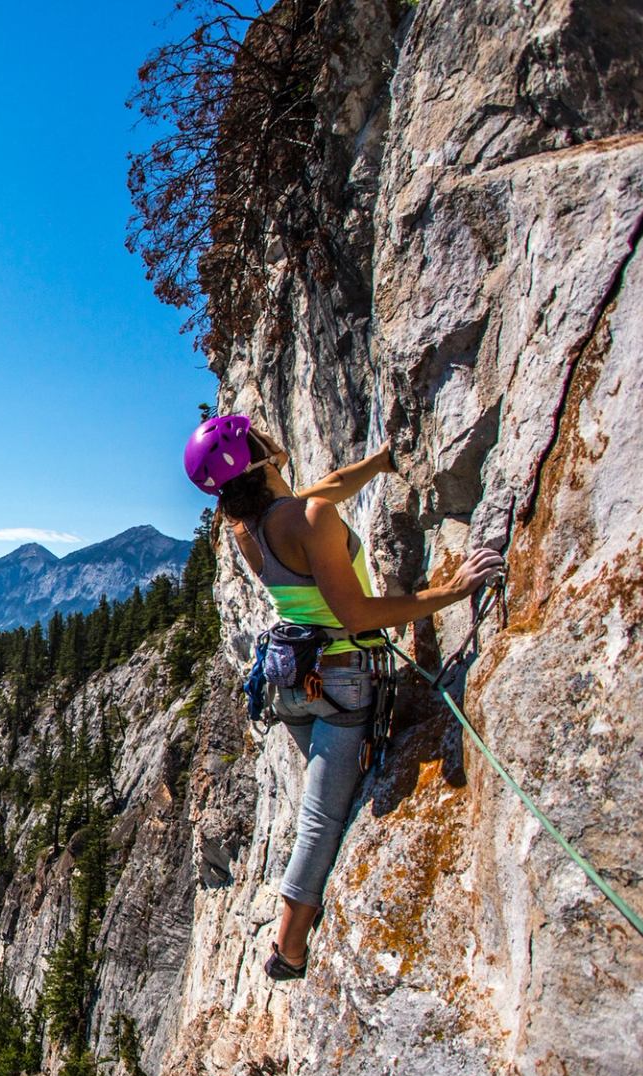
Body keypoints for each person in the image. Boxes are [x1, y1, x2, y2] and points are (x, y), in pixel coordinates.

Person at [183, 414, 504, 981]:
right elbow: (355, 613)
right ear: (257, 458)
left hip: (291, 684)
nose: (269, 435)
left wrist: (380, 462)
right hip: (343, 678)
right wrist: (448, 592)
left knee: (326, 794)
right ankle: (289, 946)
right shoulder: (308, 519)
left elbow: (322, 490)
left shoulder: (247, 529)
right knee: (322, 814)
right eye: (258, 436)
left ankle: (299, 911)